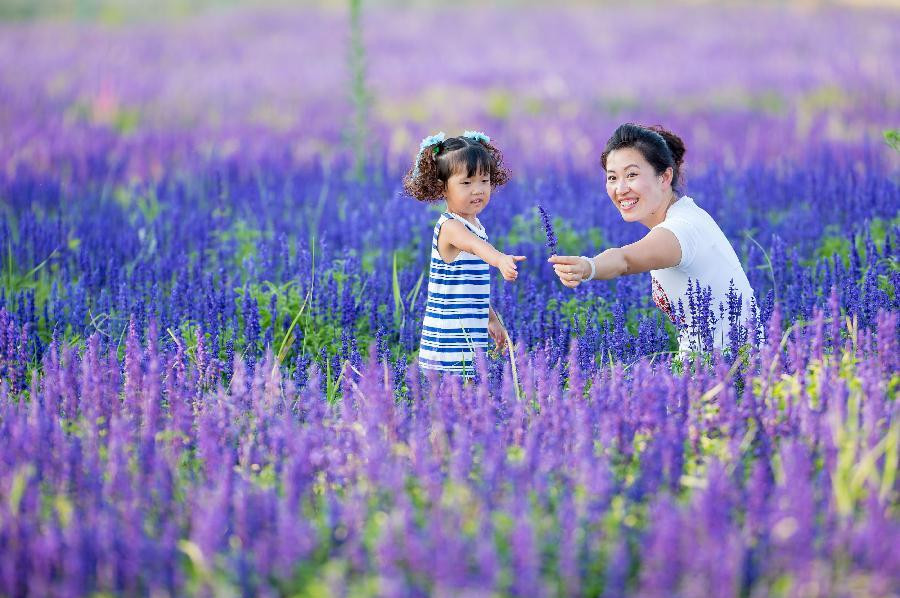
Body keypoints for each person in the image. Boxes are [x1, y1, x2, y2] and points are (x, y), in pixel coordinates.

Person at [550, 123, 756, 354]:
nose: (621, 188)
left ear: (665, 177)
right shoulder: (685, 213)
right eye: (612, 178)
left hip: (727, 372)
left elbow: (624, 260)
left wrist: (590, 266)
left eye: (632, 175)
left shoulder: (682, 228)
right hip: (718, 367)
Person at [404, 131, 525, 375]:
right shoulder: (451, 227)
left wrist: (491, 318)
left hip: (469, 333)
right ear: (443, 188)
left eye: (484, 180)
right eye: (466, 183)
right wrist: (499, 259)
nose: (478, 190)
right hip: (448, 338)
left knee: (465, 399)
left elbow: (471, 288)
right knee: (454, 400)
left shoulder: (477, 226)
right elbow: (475, 246)